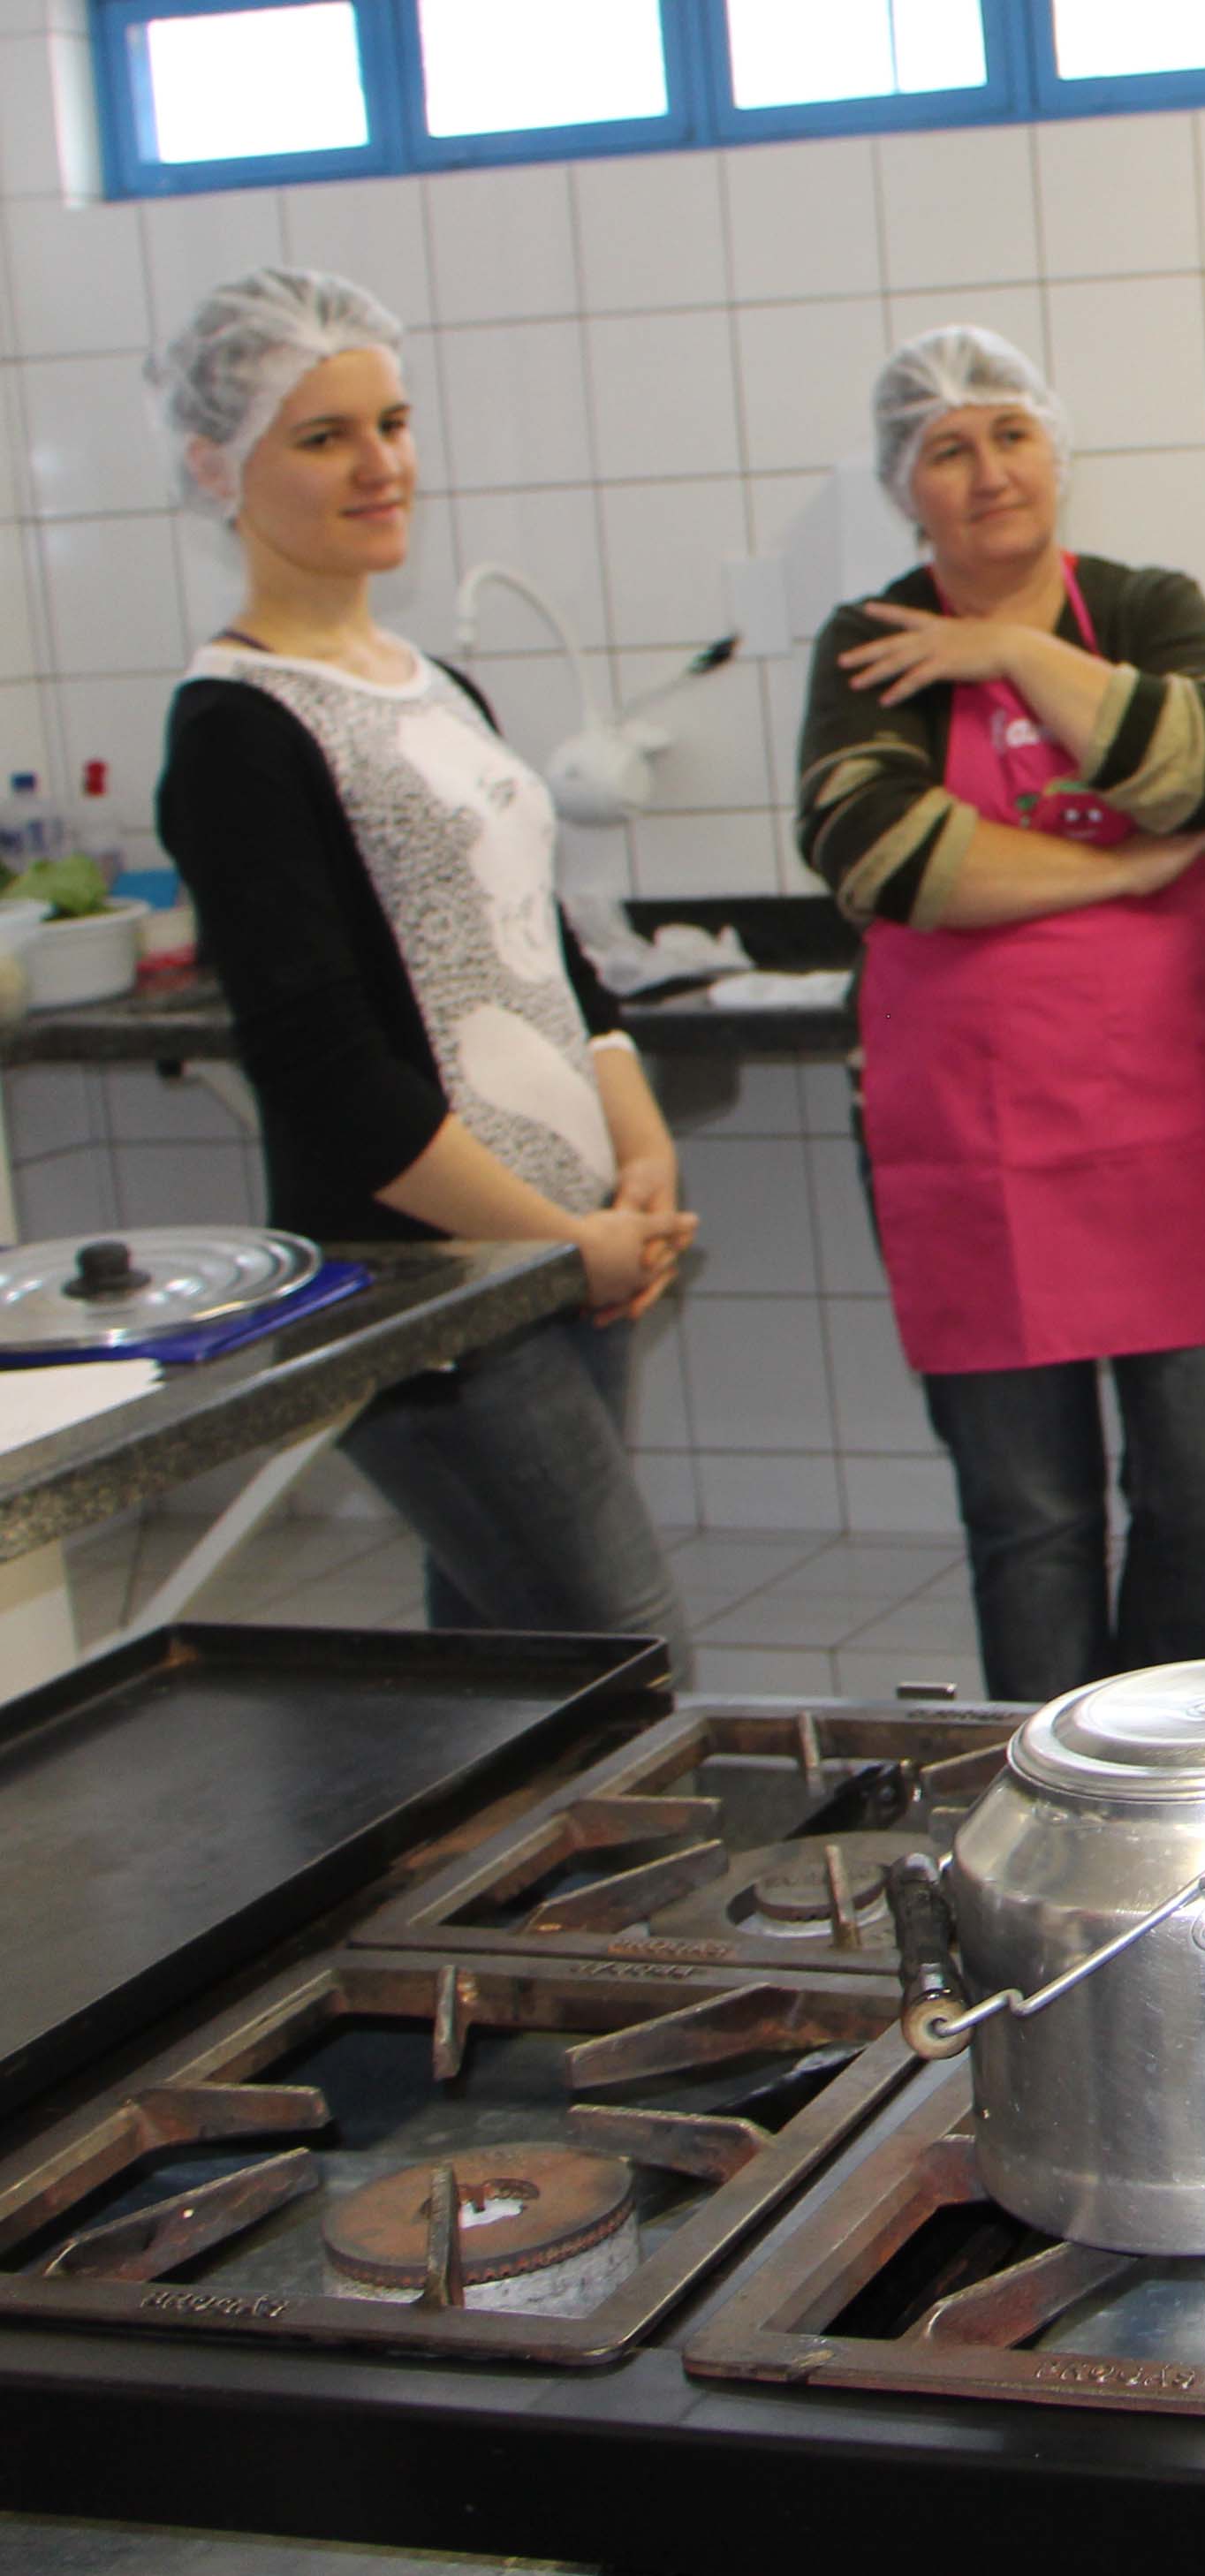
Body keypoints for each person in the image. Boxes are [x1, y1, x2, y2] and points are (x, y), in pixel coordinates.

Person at [149, 268, 694, 1646]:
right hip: (435, 1288)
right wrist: (566, 1240)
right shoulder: (236, 726)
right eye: (324, 437)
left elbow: (553, 956)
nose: (381, 464)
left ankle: (488, 1872)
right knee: (631, 1662)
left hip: (562, 1257)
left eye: (390, 423)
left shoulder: (437, 686)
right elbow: (322, 1063)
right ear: (221, 469)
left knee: (516, 1685)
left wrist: (637, 1151)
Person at [795, 327, 1205, 1703]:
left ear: (1056, 452)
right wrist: (1121, 869)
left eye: (1010, 434)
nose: (987, 470)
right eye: (947, 449)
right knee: (1034, 1522)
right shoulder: (867, 643)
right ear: (906, 485)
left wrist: (1006, 647)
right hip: (974, 1135)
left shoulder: (1140, 605)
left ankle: (1174, 1778)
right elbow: (881, 852)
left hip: (1171, 1121)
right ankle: (1055, 1803)